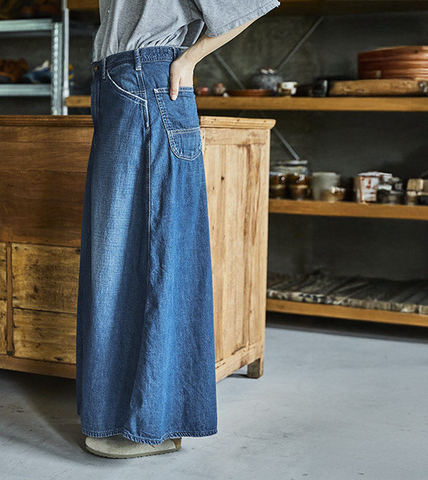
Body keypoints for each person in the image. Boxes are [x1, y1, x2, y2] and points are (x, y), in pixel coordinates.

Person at [76, 0, 281, 459]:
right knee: (112, 264)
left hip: (149, 83)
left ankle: (157, 422)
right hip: (116, 85)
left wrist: (189, 59)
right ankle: (114, 413)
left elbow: (249, 5)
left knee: (159, 257)